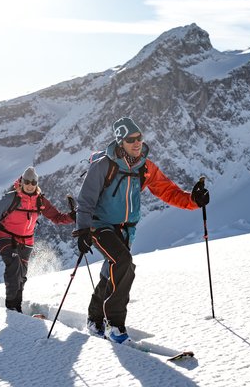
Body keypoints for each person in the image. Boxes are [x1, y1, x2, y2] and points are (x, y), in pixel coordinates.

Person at [73, 117, 210, 343]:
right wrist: (83, 231)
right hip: (100, 226)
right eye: (131, 139)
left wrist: (194, 200)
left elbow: (167, 191)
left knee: (114, 271)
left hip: (127, 230)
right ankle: (114, 325)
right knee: (123, 262)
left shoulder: (144, 167)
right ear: (120, 141)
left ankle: (94, 318)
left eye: (139, 138)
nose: (137, 143)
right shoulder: (103, 166)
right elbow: (85, 200)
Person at [0, 166, 75, 313]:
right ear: (22, 181)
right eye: (27, 182)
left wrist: (72, 217)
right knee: (14, 266)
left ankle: (17, 306)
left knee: (21, 275)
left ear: (36, 183)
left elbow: (56, 217)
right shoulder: (11, 198)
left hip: (26, 242)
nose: (30, 185)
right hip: (6, 237)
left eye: (33, 182)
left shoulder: (40, 200)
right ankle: (12, 306)